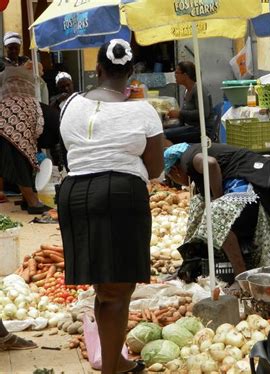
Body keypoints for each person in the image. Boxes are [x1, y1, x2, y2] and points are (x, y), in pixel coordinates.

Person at [57, 39, 164, 374]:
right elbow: (156, 168)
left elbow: (70, 150)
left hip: (74, 195)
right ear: (131, 73)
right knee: (118, 289)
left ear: (98, 69)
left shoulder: (70, 104)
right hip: (119, 195)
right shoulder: (142, 110)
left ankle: (115, 360)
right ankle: (111, 370)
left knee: (105, 287)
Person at [164, 142, 270, 286]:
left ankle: (240, 277)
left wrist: (218, 198)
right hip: (256, 180)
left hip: (262, 183)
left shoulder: (188, 159)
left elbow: (211, 164)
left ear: (174, 170)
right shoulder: (192, 156)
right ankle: (191, 262)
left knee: (216, 214)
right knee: (199, 204)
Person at [0, 65, 50, 213]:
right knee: (21, 165)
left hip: (5, 134)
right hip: (20, 138)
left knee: (18, 165)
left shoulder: (3, 102)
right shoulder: (31, 102)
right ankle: (33, 203)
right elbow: (39, 126)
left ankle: (26, 199)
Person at [164, 61, 212, 145]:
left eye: (177, 73)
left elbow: (204, 113)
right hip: (189, 126)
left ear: (185, 75)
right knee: (161, 131)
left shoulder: (198, 89)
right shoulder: (186, 90)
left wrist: (179, 114)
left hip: (200, 129)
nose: (175, 75)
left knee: (164, 136)